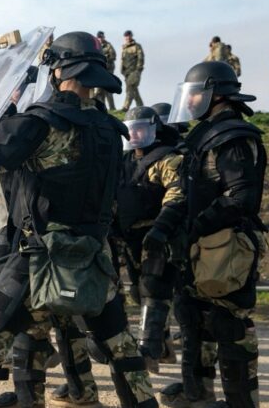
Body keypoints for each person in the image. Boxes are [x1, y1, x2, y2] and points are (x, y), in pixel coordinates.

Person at [0, 31, 157, 408]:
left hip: (36, 260)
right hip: (92, 257)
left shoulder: (41, 123)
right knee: (123, 351)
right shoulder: (110, 130)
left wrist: (0, 107)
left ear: (57, 71)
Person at [160, 61, 267, 408]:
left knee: (229, 329)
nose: (190, 103)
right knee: (193, 324)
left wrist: (197, 225)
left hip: (225, 249)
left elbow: (241, 197)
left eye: (196, 95)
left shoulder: (233, 138)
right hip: (199, 249)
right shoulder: (205, 135)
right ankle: (199, 399)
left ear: (216, 95)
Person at [114, 107, 184, 374]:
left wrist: (161, 229)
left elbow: (177, 195)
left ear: (154, 129)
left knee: (154, 289)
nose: (135, 134)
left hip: (158, 235)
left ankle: (149, 352)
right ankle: (164, 346)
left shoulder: (167, 159)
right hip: (130, 237)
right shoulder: (124, 161)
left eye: (141, 128)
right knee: (137, 291)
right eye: (131, 129)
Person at [121, 30, 145, 111]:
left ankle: (125, 107)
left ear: (131, 36)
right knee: (134, 89)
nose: (127, 37)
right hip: (126, 73)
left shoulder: (137, 46)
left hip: (134, 71)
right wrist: (122, 71)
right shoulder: (124, 48)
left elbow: (140, 58)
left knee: (130, 88)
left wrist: (138, 69)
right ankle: (141, 106)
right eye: (126, 36)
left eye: (128, 35)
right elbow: (122, 60)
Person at [93, 31, 117, 110]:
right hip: (99, 70)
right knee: (99, 91)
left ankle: (112, 108)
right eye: (99, 37)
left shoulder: (108, 45)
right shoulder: (95, 46)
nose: (100, 39)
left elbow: (113, 56)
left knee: (108, 90)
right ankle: (102, 108)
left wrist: (104, 59)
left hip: (108, 70)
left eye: (102, 37)